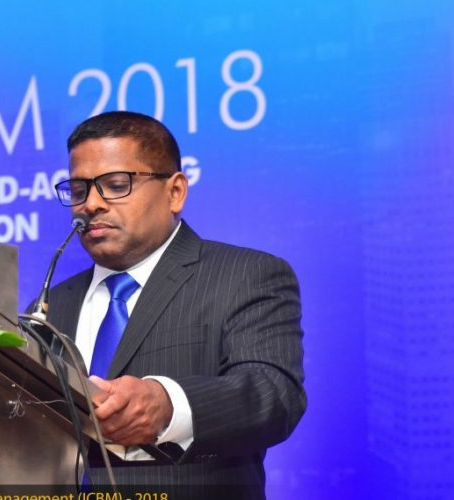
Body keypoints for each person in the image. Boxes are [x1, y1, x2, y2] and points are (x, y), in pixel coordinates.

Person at [45, 111, 306, 496]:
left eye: (116, 185)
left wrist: (169, 405)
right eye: (79, 190)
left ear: (175, 192)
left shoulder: (245, 275)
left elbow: (273, 395)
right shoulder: (50, 304)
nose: (91, 204)